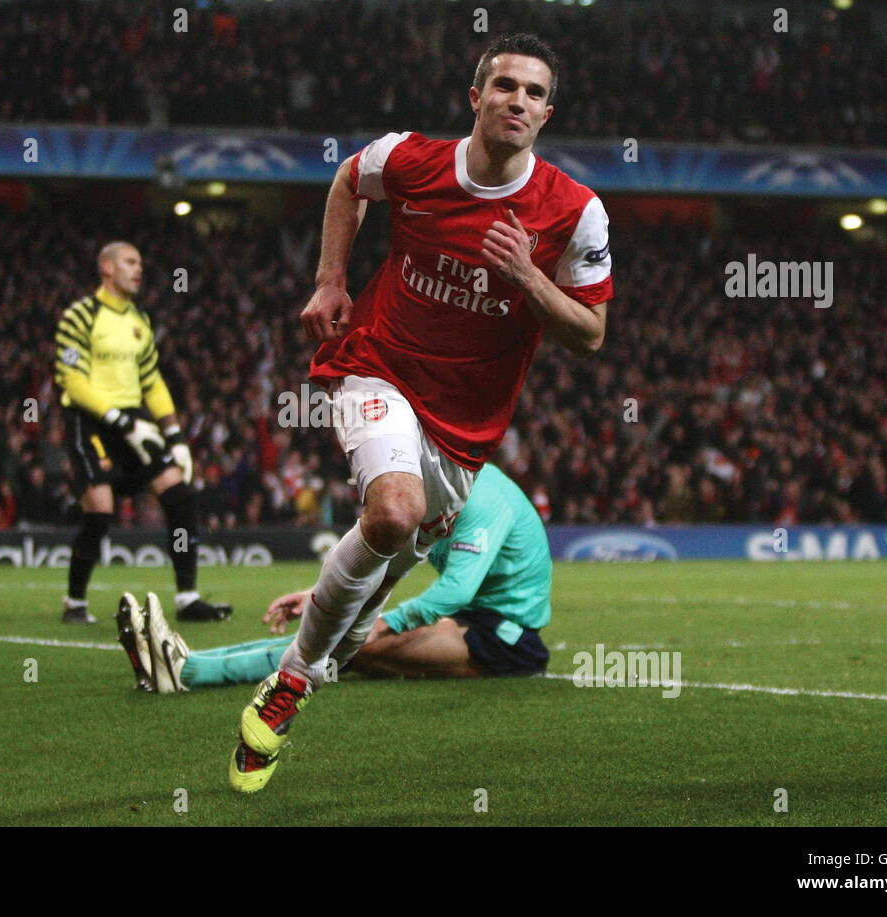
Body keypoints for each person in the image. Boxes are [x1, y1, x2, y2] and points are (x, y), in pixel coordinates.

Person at [229, 32, 613, 792]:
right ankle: (291, 683)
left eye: (535, 93)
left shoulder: (575, 211)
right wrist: (331, 280)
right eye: (505, 85)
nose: (519, 102)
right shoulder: (412, 159)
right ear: (477, 97)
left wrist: (528, 279)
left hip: (463, 433)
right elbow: (348, 179)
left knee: (381, 570)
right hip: (377, 363)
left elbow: (591, 335)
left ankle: (301, 668)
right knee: (395, 512)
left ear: (547, 113)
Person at [120, 463, 552, 697]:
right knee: (341, 639)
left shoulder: (483, 498)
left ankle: (190, 670)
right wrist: (321, 595)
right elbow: (391, 561)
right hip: (471, 620)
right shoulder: (442, 490)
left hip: (505, 639)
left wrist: (388, 623)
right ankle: (183, 662)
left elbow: (456, 588)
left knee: (348, 644)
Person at [53, 241, 231, 624]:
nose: (138, 269)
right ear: (107, 267)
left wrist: (176, 436)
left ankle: (187, 598)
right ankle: (75, 601)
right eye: (130, 262)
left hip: (133, 421)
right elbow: (71, 380)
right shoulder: (80, 316)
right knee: (100, 511)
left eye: (140, 263)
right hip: (92, 421)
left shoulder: (139, 322)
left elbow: (152, 382)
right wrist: (119, 419)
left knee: (179, 494)